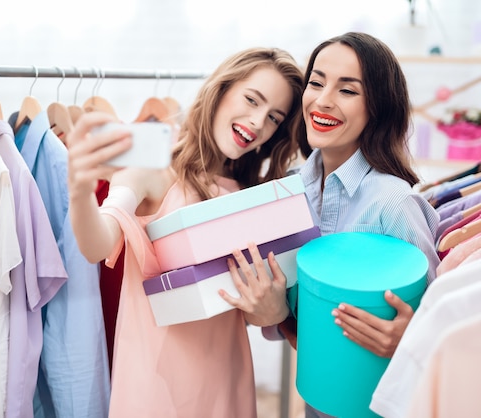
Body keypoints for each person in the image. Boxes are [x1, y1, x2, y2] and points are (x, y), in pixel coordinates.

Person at [65, 47, 304, 417]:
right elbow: (97, 245)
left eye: (274, 117)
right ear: (220, 89)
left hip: (227, 378)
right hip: (156, 383)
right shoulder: (152, 171)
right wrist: (79, 190)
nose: (258, 122)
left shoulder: (254, 196)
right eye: (251, 99)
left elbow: (251, 310)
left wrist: (272, 310)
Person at [220, 32, 441, 418]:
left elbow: (438, 331)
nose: (322, 100)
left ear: (378, 107)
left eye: (347, 90)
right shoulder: (290, 193)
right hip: (318, 403)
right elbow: (313, 332)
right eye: (317, 82)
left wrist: (412, 340)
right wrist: (276, 315)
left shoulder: (394, 203)